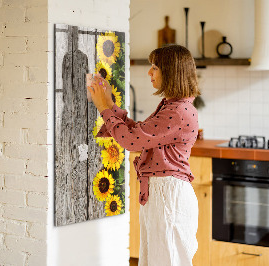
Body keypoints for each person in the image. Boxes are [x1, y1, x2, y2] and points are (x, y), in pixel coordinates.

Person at [87, 44, 200, 266]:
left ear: (171, 71)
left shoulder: (177, 111)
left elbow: (131, 141)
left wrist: (104, 108)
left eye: (155, 67)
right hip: (162, 194)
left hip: (168, 196)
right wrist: (110, 104)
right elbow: (139, 133)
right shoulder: (173, 106)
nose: (149, 72)